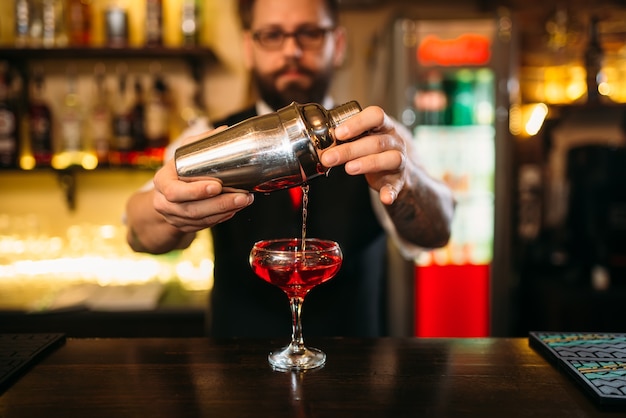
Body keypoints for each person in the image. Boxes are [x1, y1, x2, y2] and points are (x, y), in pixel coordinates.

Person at [125, 0, 455, 338]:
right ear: (248, 48)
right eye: (272, 35)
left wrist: (407, 181)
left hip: (355, 373)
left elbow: (438, 232)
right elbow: (137, 233)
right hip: (237, 374)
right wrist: (166, 208)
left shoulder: (381, 138)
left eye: (310, 33)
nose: (292, 50)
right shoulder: (209, 137)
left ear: (337, 45)